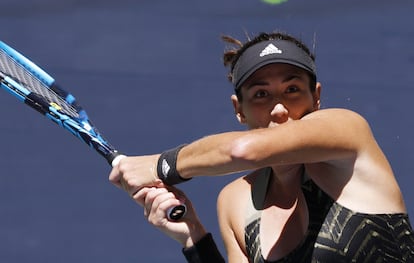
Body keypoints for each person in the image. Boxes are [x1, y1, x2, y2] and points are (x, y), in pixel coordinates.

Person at [109, 31, 414, 262]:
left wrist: (161, 165)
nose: (279, 109)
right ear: (239, 109)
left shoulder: (349, 133)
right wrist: (193, 237)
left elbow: (243, 150)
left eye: (292, 89)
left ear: (316, 97)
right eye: (261, 95)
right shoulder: (235, 202)